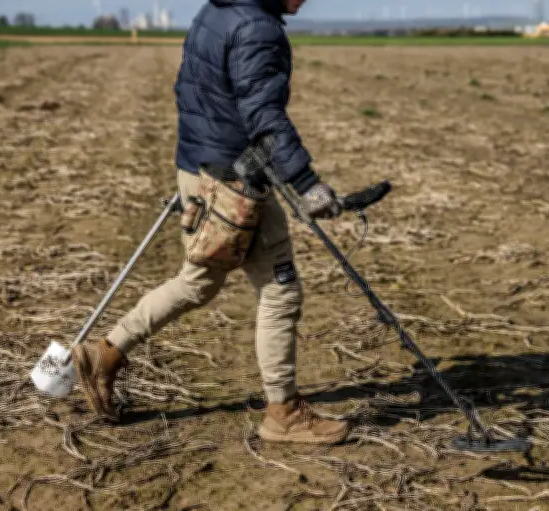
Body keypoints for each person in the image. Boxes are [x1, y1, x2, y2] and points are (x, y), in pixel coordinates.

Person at [72, 0, 350, 445]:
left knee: (198, 281)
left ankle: (103, 354)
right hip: (233, 181)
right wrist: (306, 183)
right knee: (280, 289)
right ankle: (284, 413)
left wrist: (201, 167)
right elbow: (265, 116)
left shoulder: (217, 10)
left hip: (205, 169)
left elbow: (190, 89)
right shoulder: (258, 28)